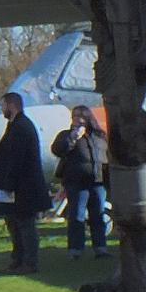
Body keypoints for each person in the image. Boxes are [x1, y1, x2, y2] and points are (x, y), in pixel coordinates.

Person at [0, 91, 51, 272]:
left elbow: (17, 159)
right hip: (14, 188)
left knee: (25, 226)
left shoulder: (22, 127)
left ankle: (29, 262)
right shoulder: (14, 126)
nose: (2, 110)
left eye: (3, 106)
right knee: (14, 224)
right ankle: (18, 259)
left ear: (11, 105)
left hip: (23, 188)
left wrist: (9, 183)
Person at [51, 104, 111, 259]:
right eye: (74, 116)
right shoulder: (66, 135)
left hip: (97, 182)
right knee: (77, 216)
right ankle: (75, 250)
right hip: (77, 183)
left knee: (98, 216)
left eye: (80, 116)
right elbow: (57, 149)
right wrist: (73, 136)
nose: (77, 119)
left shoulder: (98, 137)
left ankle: (101, 248)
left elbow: (105, 158)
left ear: (88, 118)